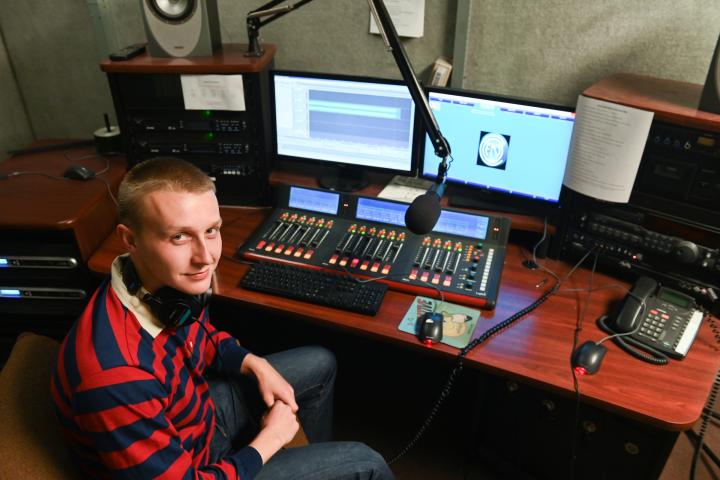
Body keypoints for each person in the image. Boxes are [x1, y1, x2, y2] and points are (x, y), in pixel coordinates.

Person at [51, 157, 394, 479]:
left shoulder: (155, 285)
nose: (205, 258)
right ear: (130, 239)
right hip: (194, 463)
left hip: (197, 418)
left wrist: (252, 362)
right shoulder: (115, 376)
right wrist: (271, 440)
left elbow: (201, 339)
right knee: (368, 464)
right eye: (179, 236)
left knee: (321, 362)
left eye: (212, 230)